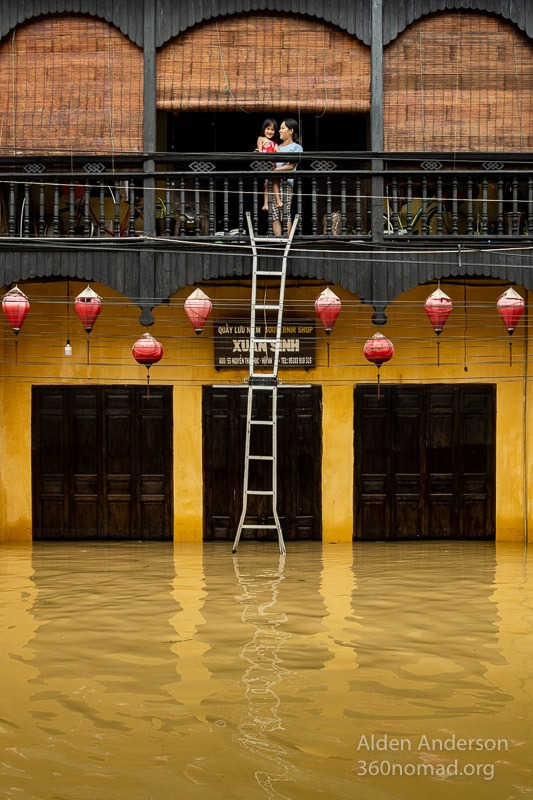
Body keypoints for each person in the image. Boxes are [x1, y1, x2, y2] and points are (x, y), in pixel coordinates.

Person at [271, 118, 303, 237]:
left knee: (285, 211)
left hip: (286, 183)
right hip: (273, 184)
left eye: (282, 128)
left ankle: (287, 240)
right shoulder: (277, 146)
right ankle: (279, 239)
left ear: (290, 131)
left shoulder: (297, 147)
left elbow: (291, 165)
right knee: (274, 214)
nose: (279, 131)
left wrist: (275, 171)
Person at [255, 118, 282, 211]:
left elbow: (280, 153)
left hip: (272, 166)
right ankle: (266, 204)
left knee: (274, 183)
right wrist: (260, 152)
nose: (270, 131)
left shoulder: (274, 143)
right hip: (265, 164)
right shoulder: (261, 138)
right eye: (268, 129)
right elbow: (260, 150)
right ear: (264, 129)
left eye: (272, 130)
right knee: (267, 184)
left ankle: (278, 202)